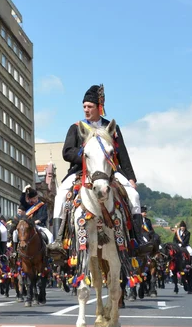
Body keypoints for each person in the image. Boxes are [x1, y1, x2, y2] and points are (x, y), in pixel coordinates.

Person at [47, 84, 152, 259]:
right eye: (84, 107)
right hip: (81, 171)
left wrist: (131, 178)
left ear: (99, 107)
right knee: (60, 197)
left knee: (133, 195)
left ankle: (138, 238)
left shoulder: (111, 128)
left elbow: (122, 154)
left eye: (90, 107)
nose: (86, 110)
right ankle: (58, 241)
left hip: (108, 171)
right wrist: (85, 154)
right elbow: (67, 152)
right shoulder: (76, 127)